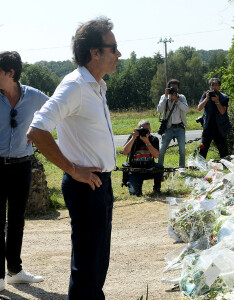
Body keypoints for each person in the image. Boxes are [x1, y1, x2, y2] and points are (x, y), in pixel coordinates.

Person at [27, 17, 121, 300]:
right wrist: (72, 169)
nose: (119, 54)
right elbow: (37, 130)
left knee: (96, 266)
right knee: (87, 269)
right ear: (95, 52)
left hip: (99, 183)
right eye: (113, 47)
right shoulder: (76, 85)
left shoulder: (96, 86)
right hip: (85, 185)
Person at [0, 51, 48, 292]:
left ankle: (14, 271)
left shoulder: (33, 96)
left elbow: (56, 111)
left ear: (10, 73)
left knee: (17, 220)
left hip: (22, 165)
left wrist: (37, 131)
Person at [122, 120, 163, 196]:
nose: (144, 131)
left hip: (149, 167)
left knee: (159, 167)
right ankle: (133, 184)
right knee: (135, 194)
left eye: (146, 129)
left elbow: (156, 155)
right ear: (138, 129)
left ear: (150, 130)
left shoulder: (153, 139)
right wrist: (133, 137)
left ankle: (157, 188)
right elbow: (125, 152)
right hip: (135, 168)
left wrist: (147, 142)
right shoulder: (133, 138)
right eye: (142, 129)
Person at [157, 79, 189, 171]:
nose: (173, 90)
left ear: (178, 89)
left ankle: (181, 169)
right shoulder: (164, 97)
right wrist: (166, 97)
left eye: (175, 88)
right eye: (171, 88)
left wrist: (177, 101)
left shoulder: (181, 97)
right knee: (162, 149)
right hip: (168, 128)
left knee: (182, 150)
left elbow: (186, 110)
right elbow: (159, 110)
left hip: (180, 127)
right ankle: (159, 170)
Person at [197, 78, 231, 159]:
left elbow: (223, 111)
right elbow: (199, 108)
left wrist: (217, 101)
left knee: (223, 150)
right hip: (208, 126)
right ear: (210, 87)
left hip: (220, 127)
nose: (214, 87)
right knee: (203, 148)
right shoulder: (205, 95)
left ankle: (225, 164)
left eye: (216, 85)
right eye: (212, 85)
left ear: (219, 87)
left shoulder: (224, 97)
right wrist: (206, 99)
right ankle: (201, 165)